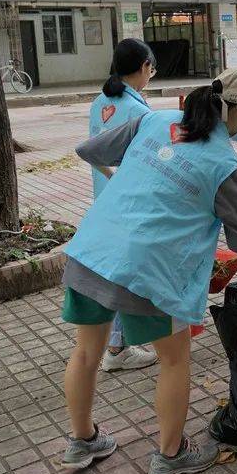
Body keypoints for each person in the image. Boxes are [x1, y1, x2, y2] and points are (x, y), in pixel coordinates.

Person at [59, 68, 237, 474]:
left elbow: (89, 150)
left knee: (84, 354)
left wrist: (128, 182)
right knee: (174, 359)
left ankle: (82, 441)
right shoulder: (225, 164)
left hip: (93, 251)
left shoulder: (154, 119)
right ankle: (170, 455)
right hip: (150, 271)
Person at [88, 38, 159, 373]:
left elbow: (91, 149)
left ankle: (116, 341)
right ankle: (117, 348)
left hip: (106, 200)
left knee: (118, 269)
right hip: (132, 205)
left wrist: (111, 176)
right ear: (144, 67)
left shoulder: (100, 102)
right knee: (127, 273)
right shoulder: (140, 112)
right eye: (151, 69)